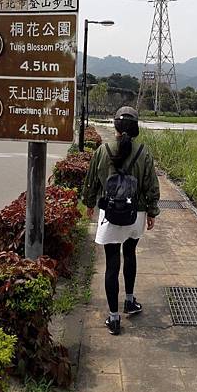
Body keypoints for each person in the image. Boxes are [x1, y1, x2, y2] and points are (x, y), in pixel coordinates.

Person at [82, 106, 160, 335]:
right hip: (136, 213)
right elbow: (151, 185)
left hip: (110, 213)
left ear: (115, 125)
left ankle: (114, 318)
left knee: (111, 261)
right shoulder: (143, 152)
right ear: (136, 128)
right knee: (130, 254)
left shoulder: (102, 150)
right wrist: (152, 212)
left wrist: (88, 204)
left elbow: (91, 181)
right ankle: (129, 301)